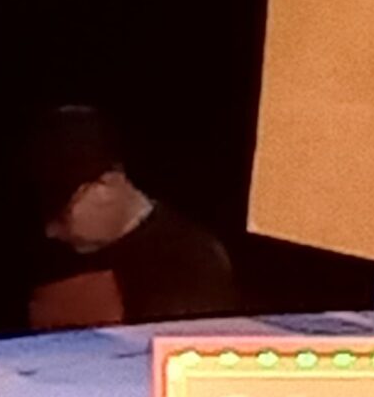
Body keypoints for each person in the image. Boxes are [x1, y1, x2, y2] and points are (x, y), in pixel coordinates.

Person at [26, 105, 237, 329]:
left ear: (106, 185)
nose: (50, 231)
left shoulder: (190, 262)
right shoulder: (62, 253)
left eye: (62, 214)